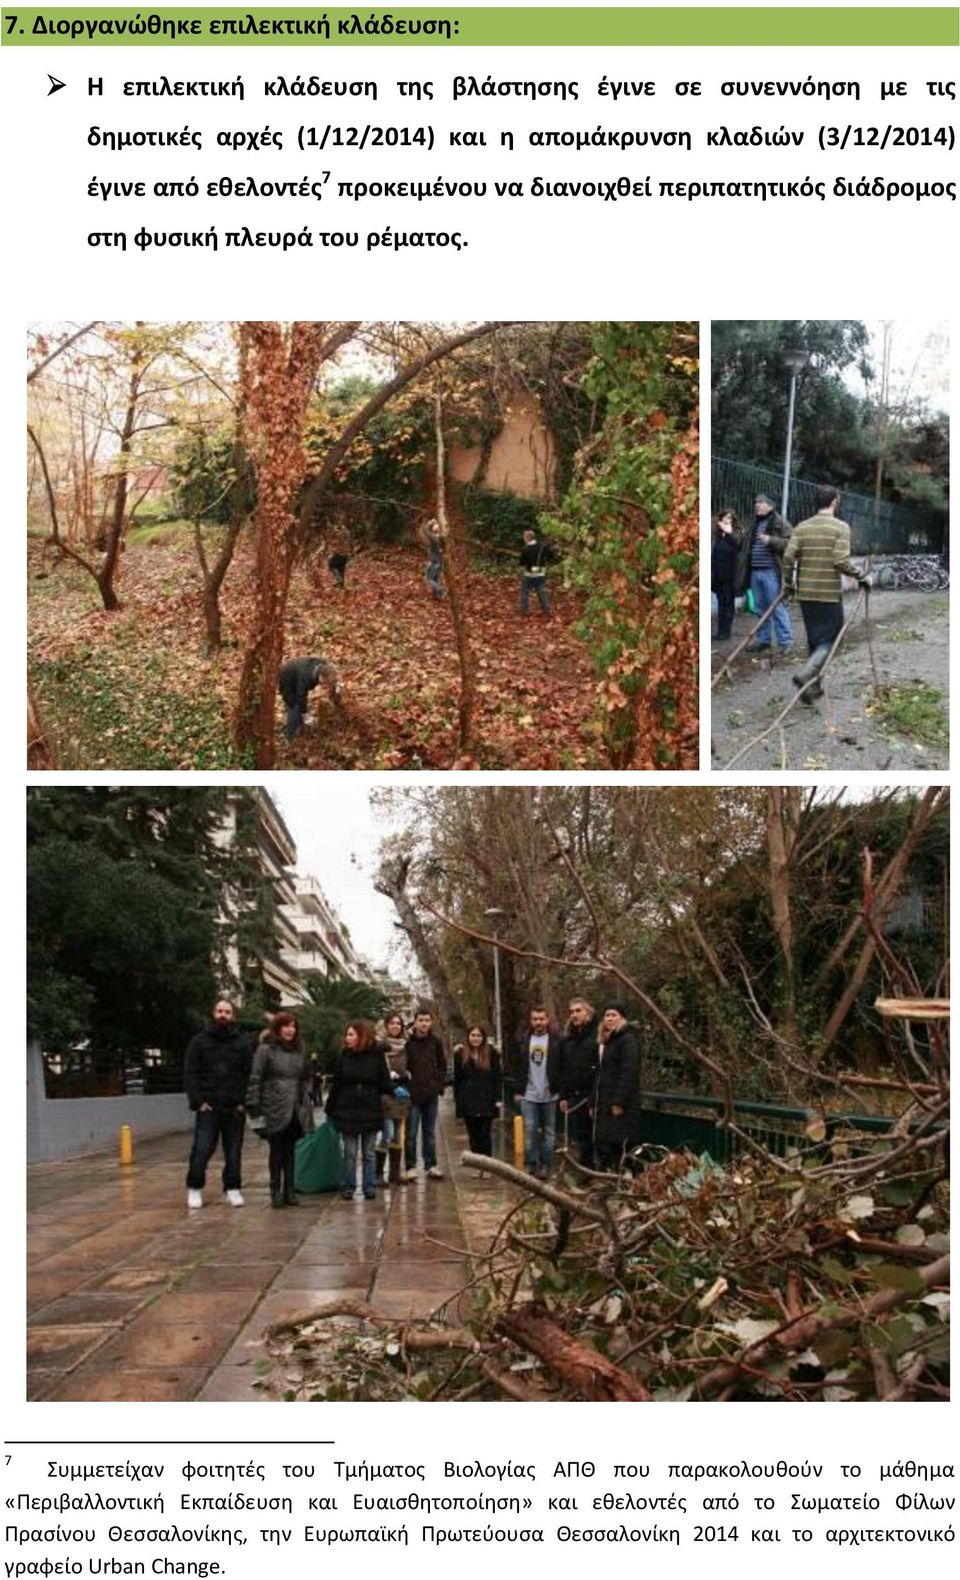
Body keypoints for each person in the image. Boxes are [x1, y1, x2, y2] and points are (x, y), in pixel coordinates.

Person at [781, 486, 873, 703]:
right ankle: (805, 675)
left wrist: (788, 584)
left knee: (815, 641)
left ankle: (810, 690)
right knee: (831, 640)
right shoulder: (840, 527)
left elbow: (787, 557)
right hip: (828, 594)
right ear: (834, 502)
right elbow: (840, 560)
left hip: (805, 594)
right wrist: (862, 576)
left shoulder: (802, 527)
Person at [183, 999, 253, 1210]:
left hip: (234, 1108)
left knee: (233, 1152)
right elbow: (190, 1073)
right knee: (202, 1149)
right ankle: (194, 1187)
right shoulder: (199, 1042)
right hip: (208, 1107)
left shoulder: (242, 1043)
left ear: (233, 1016)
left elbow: (249, 1074)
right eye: (220, 1011)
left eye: (228, 1012)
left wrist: (243, 1102)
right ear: (214, 1013)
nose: (224, 1015)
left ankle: (232, 1188)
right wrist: (198, 1101)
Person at [246, 1012, 315, 1208]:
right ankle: (275, 1190)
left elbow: (305, 1077)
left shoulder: (299, 1050)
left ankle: (290, 1190)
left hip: (295, 1105)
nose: (290, 1029)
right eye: (286, 1025)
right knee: (276, 1150)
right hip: (273, 1104)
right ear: (277, 1028)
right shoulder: (265, 1050)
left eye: (293, 1026)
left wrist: (305, 1095)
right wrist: (254, 1104)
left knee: (290, 1150)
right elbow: (255, 1077)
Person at [325, 1020, 396, 1200]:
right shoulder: (343, 1057)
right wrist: (330, 1109)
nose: (347, 1038)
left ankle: (369, 1186)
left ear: (361, 1036)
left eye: (351, 1034)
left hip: (370, 1109)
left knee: (369, 1152)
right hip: (347, 1110)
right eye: (347, 1034)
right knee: (350, 1152)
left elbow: (384, 1081)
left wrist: (395, 1089)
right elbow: (337, 1085)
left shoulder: (376, 1056)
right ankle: (348, 1186)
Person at [737, 494, 793, 653]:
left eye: (761, 502)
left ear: (771, 505)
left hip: (771, 572)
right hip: (755, 572)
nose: (757, 505)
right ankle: (763, 640)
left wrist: (771, 540)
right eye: (756, 502)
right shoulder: (754, 523)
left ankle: (785, 642)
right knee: (760, 608)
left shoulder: (779, 522)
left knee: (776, 607)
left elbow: (791, 543)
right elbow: (743, 543)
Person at [591, 1001, 641, 1172]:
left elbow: (629, 1072)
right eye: (607, 1015)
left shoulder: (628, 1040)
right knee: (606, 1142)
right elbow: (600, 1074)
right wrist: (593, 1101)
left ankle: (626, 1179)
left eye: (614, 1015)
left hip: (621, 1104)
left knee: (622, 1144)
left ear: (622, 1018)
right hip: (605, 1101)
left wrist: (619, 1101)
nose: (610, 1019)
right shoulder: (609, 1041)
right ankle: (610, 1177)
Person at [515, 1007, 561, 1177]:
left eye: (542, 1019)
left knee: (549, 1132)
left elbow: (562, 1067)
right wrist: (518, 1091)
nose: (538, 1022)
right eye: (535, 1019)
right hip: (529, 1094)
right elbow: (518, 1067)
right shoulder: (524, 1040)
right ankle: (532, 1164)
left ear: (547, 1020)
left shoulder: (557, 1040)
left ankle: (547, 1165)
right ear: (531, 1020)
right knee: (531, 1130)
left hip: (550, 1094)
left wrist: (560, 1089)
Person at [402, 1008, 448, 1179]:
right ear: (415, 1022)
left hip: (431, 1094)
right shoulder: (408, 1043)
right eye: (421, 1020)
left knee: (429, 1132)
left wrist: (438, 1084)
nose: (424, 1023)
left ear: (431, 1022)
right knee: (411, 1133)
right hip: (412, 1095)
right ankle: (410, 1166)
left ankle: (431, 1165)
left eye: (427, 1020)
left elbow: (442, 1065)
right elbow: (401, 1067)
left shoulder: (435, 1042)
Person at [557, 997, 600, 1168]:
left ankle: (597, 1171)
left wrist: (593, 1097)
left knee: (596, 1136)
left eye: (578, 1011)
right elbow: (564, 1070)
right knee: (581, 1136)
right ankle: (585, 1169)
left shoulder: (597, 1037)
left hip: (591, 1095)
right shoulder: (568, 1040)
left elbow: (600, 1069)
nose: (574, 1015)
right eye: (571, 1012)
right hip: (574, 1096)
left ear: (587, 1012)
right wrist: (563, 1096)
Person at [454, 1026, 502, 1160]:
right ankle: (477, 1164)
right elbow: (457, 1079)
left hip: (486, 1099)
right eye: (473, 1035)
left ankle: (487, 1165)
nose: (476, 1038)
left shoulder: (491, 1054)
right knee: (473, 1134)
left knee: (485, 1133)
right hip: (468, 1099)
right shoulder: (460, 1054)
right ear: (468, 1037)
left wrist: (498, 1098)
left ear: (483, 1038)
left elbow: (497, 1077)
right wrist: (457, 1100)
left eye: (478, 1035)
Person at [378, 1011, 411, 1185]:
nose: (395, 1026)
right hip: (385, 1095)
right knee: (387, 1134)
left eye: (398, 1023)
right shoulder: (379, 1046)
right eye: (392, 1023)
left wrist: (406, 1076)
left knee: (398, 1136)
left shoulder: (406, 1047)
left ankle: (394, 1173)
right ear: (386, 1026)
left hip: (402, 1096)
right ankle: (378, 1174)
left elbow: (410, 1067)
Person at [278, 656, 341, 741]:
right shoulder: (306, 677)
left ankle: (299, 727)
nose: (324, 685)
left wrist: (337, 687)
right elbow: (301, 696)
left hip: (297, 673)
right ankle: (290, 737)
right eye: (324, 683)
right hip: (287, 681)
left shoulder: (324, 666)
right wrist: (305, 715)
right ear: (321, 677)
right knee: (294, 706)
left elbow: (333, 675)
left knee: (300, 709)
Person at [711, 508, 742, 642]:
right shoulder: (717, 534)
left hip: (731, 575)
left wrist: (729, 533)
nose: (726, 520)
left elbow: (739, 546)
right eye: (724, 517)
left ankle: (726, 632)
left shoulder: (736, 533)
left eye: (729, 518)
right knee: (720, 603)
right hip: (718, 574)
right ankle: (720, 631)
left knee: (728, 603)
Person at [519, 528, 551, 616]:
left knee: (524, 592)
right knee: (541, 591)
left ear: (527, 538)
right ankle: (546, 609)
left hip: (528, 574)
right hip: (540, 573)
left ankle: (524, 610)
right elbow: (549, 556)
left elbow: (522, 563)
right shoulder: (541, 547)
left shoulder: (525, 549)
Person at [420, 518, 445, 601]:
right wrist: (431, 523)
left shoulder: (435, 538)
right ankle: (437, 596)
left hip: (435, 561)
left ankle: (440, 590)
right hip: (439, 561)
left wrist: (427, 524)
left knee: (428, 579)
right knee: (435, 579)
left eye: (436, 525)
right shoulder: (440, 537)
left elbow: (425, 531)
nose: (434, 526)